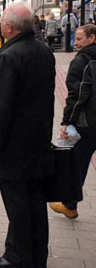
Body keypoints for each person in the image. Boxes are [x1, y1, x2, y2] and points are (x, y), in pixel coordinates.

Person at [0, 3, 55, 268]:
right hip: (38, 142)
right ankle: (37, 257)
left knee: (17, 205)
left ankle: (17, 257)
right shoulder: (45, 52)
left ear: (9, 27)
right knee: (36, 202)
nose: (1, 23)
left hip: (13, 146)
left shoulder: (9, 57)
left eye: (2, 20)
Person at [49, 24, 96, 219]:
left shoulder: (82, 61)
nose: (75, 43)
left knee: (77, 163)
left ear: (92, 38)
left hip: (87, 122)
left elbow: (77, 95)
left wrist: (66, 122)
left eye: (79, 39)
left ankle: (69, 204)